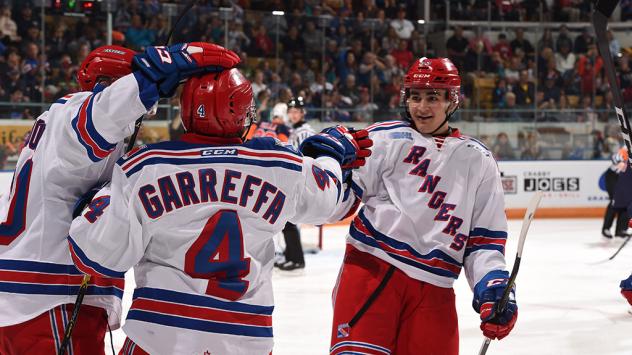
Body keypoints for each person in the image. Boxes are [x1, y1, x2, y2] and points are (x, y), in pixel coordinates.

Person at [67, 68, 373, 354]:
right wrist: (328, 154)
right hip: (246, 336)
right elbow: (327, 201)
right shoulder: (279, 163)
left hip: (159, 334)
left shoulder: (147, 165)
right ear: (242, 113)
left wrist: (96, 201)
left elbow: (98, 253)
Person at [0, 43, 240, 354]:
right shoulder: (76, 113)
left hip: (28, 297)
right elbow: (102, 113)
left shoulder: (58, 125)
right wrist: (159, 69)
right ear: (108, 86)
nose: (147, 109)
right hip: (50, 299)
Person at [328, 57, 517, 354]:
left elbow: (484, 241)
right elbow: (336, 204)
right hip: (373, 272)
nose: (422, 107)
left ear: (452, 101)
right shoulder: (383, 138)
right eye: (415, 96)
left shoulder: (478, 160)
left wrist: (492, 286)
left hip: (435, 288)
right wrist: (326, 167)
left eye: (433, 97)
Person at [276, 96, 316, 271]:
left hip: (300, 181)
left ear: (302, 113)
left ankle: (297, 259)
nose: (293, 115)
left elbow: (308, 159)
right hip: (293, 180)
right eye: (290, 112)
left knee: (289, 221)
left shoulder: (305, 132)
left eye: (296, 112)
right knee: (287, 221)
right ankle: (291, 255)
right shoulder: (294, 131)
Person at [601, 146, 629, 239]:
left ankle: (621, 230)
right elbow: (615, 158)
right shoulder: (628, 145)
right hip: (614, 176)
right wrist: (620, 160)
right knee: (615, 200)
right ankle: (606, 228)